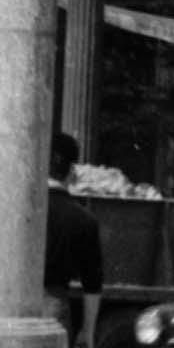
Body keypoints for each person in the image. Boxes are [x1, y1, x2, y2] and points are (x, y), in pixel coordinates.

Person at [43, 132, 106, 313]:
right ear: (72, 171)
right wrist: (87, 331)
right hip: (53, 307)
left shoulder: (17, 210)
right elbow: (92, 283)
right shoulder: (85, 220)